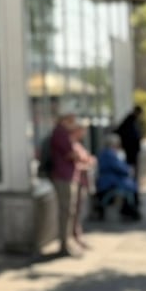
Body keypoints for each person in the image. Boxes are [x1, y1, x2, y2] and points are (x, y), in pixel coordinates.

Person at [46, 104, 91, 255]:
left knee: (71, 211)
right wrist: (80, 157)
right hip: (63, 176)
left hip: (69, 175)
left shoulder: (65, 134)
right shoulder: (60, 133)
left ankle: (69, 240)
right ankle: (64, 244)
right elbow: (72, 154)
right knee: (66, 211)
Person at [95, 134, 140, 220]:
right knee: (130, 187)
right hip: (109, 181)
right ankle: (129, 209)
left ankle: (128, 209)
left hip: (112, 179)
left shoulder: (107, 153)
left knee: (130, 185)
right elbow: (118, 167)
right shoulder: (109, 154)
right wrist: (128, 170)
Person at [115, 105, 144, 179]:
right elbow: (120, 131)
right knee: (130, 168)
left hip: (133, 149)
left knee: (133, 168)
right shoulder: (129, 120)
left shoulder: (133, 120)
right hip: (130, 149)